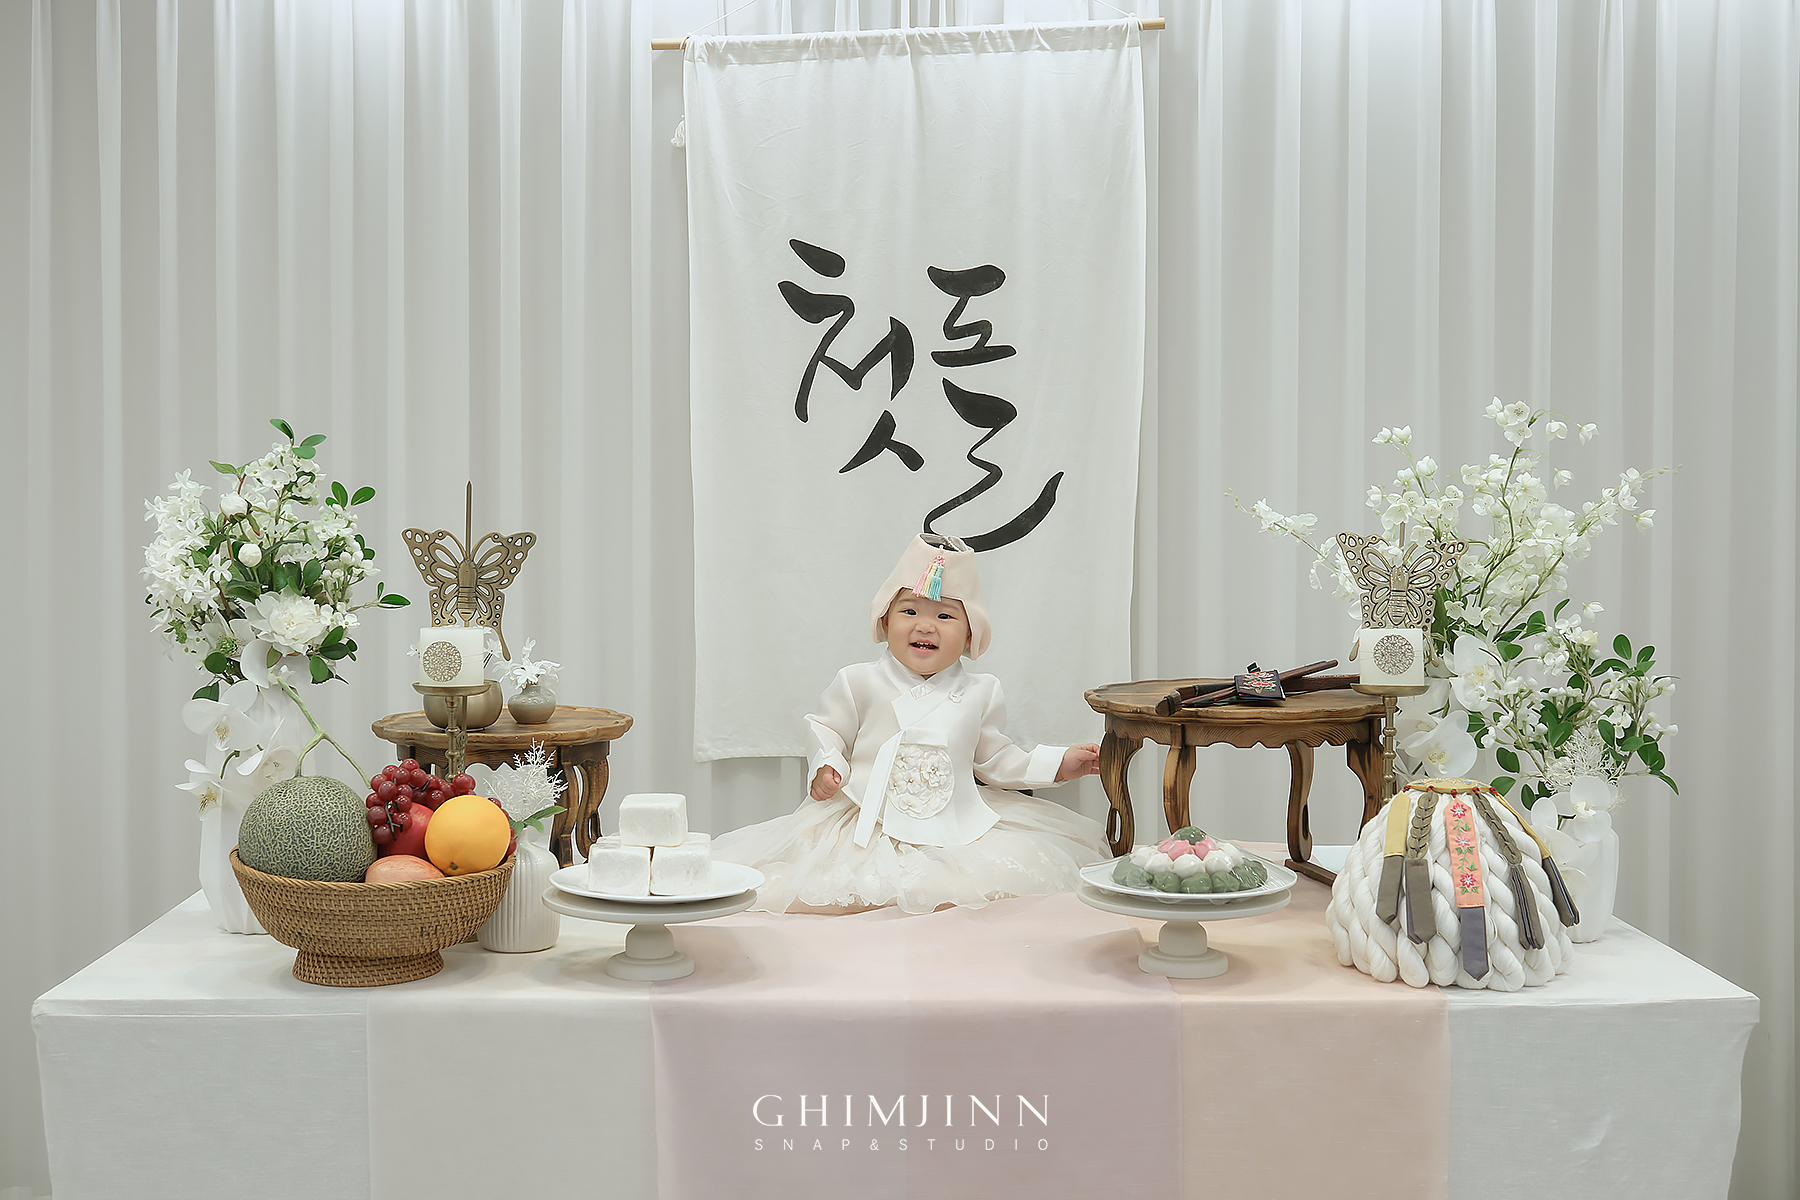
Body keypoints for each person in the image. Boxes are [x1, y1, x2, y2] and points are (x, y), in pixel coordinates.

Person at [712, 533, 1109, 914]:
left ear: (970, 634)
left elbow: (995, 758)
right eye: (909, 612)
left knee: (980, 882)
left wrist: (1057, 763)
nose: (925, 625)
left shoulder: (981, 691)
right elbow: (825, 727)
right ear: (885, 621)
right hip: (866, 817)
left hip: (955, 823)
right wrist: (827, 762)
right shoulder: (858, 680)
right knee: (832, 884)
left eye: (945, 615)